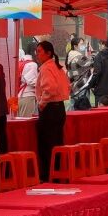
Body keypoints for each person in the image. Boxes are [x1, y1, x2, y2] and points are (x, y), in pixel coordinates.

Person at [34, 41, 70, 180]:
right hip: (59, 108)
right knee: (56, 143)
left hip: (50, 109)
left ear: (48, 53)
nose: (37, 54)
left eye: (39, 51)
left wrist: (42, 103)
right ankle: (57, 174)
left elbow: (50, 89)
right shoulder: (57, 66)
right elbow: (67, 85)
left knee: (47, 145)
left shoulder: (46, 68)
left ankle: (47, 176)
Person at [66, 37, 93, 110]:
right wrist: (92, 51)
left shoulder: (71, 56)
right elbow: (92, 63)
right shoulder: (78, 57)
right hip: (81, 87)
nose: (83, 46)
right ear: (75, 46)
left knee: (73, 108)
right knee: (83, 109)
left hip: (74, 87)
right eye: (81, 44)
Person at [17, 44, 39, 116]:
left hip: (19, 95)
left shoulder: (21, 62)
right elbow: (31, 81)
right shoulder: (32, 64)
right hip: (28, 96)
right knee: (26, 121)